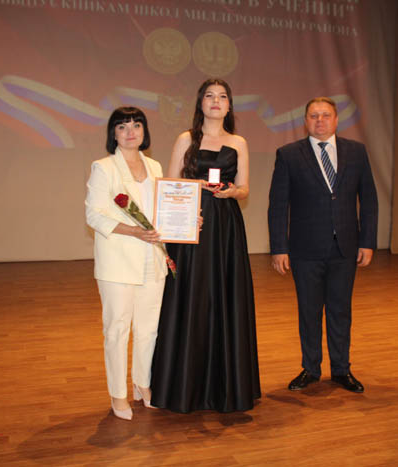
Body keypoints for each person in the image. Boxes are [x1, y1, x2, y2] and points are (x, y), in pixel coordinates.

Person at [150, 78, 261, 413]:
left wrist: (232, 192)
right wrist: (194, 187)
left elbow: (244, 188)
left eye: (222, 96)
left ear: (229, 105)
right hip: (191, 222)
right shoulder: (186, 139)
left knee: (225, 296)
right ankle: (185, 386)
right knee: (191, 297)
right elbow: (169, 184)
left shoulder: (239, 142)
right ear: (201, 103)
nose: (216, 101)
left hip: (226, 225)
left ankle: (226, 387)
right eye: (210, 96)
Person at [268, 96, 378, 393]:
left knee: (341, 311)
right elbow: (278, 205)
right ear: (305, 121)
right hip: (304, 250)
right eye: (314, 116)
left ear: (336, 120)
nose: (320, 121)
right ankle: (311, 368)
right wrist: (279, 248)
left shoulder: (356, 152)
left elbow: (369, 199)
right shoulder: (289, 155)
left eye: (325, 115)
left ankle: (342, 369)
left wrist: (367, 241)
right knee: (309, 312)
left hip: (346, 247)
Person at [85, 107, 167, 420]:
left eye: (136, 125)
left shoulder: (155, 166)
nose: (130, 132)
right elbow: (94, 216)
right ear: (114, 133)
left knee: (149, 329)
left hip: (152, 259)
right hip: (118, 262)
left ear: (144, 131)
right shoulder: (103, 167)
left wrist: (186, 221)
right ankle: (117, 394)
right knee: (117, 330)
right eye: (122, 126)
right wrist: (134, 231)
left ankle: (142, 384)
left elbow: (163, 210)